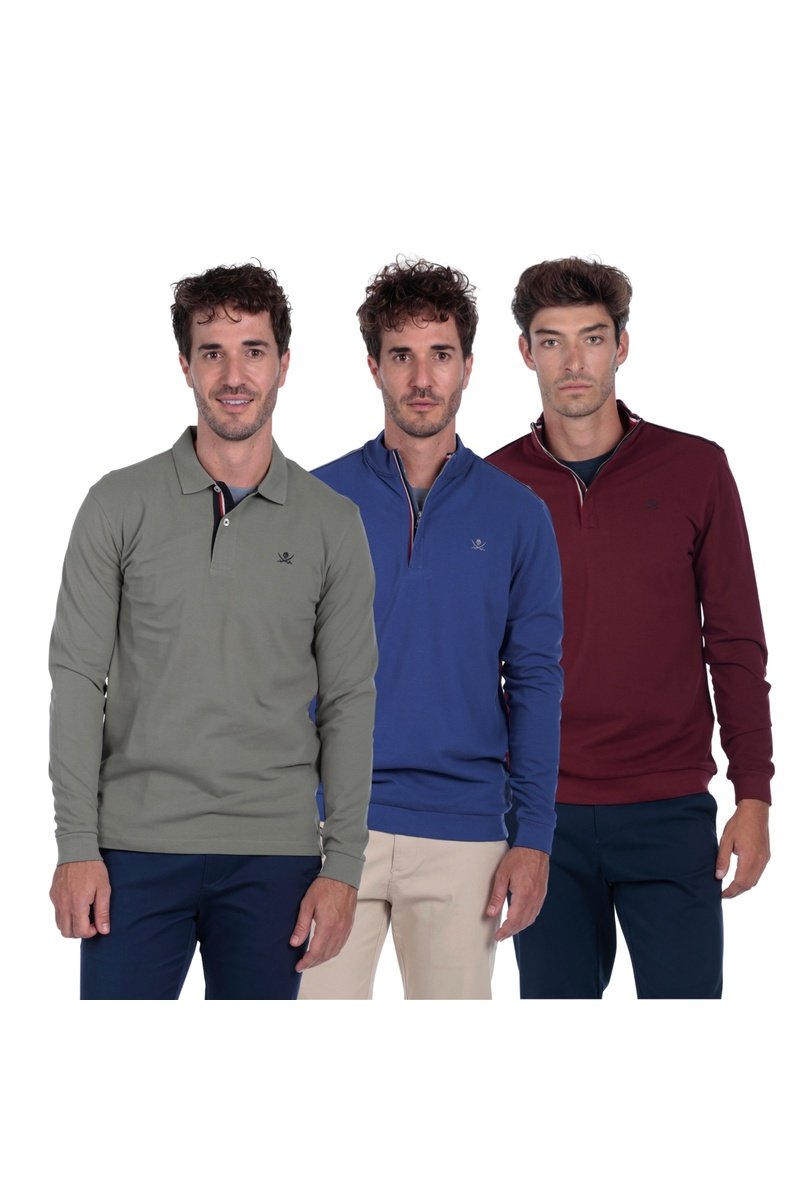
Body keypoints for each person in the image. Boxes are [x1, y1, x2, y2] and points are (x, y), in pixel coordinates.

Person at [49, 262, 378, 1000]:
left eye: (253, 351)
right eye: (212, 353)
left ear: (283, 363)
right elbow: (76, 678)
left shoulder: (332, 524)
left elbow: (350, 701)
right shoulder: (117, 504)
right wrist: (75, 845)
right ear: (185, 364)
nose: (234, 376)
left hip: (276, 856)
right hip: (132, 851)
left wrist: (343, 866)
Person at [487, 257, 772, 999]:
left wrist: (753, 793)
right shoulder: (493, 487)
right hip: (540, 817)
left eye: (591, 338)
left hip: (668, 810)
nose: (572, 362)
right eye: (551, 341)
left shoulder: (695, 469)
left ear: (621, 345)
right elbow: (469, 662)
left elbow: (735, 644)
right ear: (525, 352)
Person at [300, 259, 563, 1000]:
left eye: (441, 354)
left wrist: (534, 836)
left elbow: (536, 682)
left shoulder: (518, 515)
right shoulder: (316, 501)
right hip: (326, 827)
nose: (422, 378)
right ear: (373, 367)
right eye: (402, 356)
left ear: (468, 366)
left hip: (465, 832)